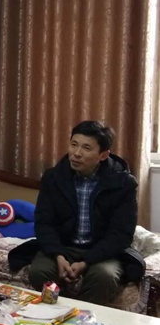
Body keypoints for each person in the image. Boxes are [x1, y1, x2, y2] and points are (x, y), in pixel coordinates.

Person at [9, 120, 144, 306]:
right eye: (74, 145)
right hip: (63, 245)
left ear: (103, 155)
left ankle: (82, 317)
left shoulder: (123, 183)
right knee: (39, 272)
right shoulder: (54, 177)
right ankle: (57, 313)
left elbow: (121, 233)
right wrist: (58, 255)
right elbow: (44, 223)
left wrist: (86, 262)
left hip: (102, 249)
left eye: (86, 148)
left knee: (104, 276)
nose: (77, 153)